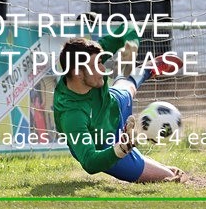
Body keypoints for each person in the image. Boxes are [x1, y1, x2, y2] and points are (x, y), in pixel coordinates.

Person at [52, 28, 187, 183]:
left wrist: (131, 45)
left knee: (128, 83)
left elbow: (127, 27)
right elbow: (90, 162)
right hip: (104, 147)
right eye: (97, 65)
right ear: (78, 73)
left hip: (114, 105)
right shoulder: (72, 116)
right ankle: (141, 160)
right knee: (172, 177)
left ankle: (148, 68)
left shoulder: (90, 55)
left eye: (101, 62)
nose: (103, 69)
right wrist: (120, 149)